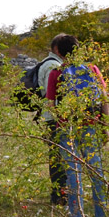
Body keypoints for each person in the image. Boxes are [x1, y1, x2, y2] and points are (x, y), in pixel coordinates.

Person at [45, 34, 108, 217]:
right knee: (96, 172)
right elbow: (104, 98)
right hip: (89, 125)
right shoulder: (91, 69)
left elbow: (51, 105)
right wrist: (104, 125)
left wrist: (61, 123)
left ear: (58, 52)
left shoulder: (56, 72)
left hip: (66, 127)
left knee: (73, 173)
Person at [37, 35, 67, 205]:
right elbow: (54, 96)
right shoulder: (53, 66)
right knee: (58, 158)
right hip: (54, 117)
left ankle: (60, 193)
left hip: (54, 116)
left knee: (59, 156)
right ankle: (59, 195)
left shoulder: (50, 63)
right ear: (58, 49)